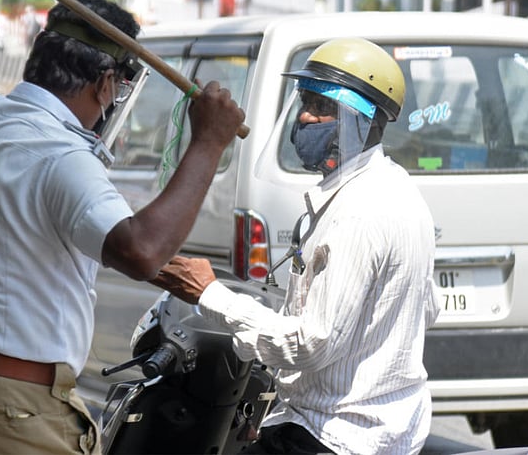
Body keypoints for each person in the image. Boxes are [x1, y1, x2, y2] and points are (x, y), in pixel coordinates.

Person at [0, 0, 244, 455]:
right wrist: (209, 142)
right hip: (6, 407)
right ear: (105, 83)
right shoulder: (61, 153)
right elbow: (142, 251)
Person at [150, 37, 440, 454]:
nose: (305, 116)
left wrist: (210, 294)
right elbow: (427, 308)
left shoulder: (358, 213)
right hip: (381, 431)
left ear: (364, 120)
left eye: (322, 108)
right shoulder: (397, 188)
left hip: (336, 434)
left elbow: (308, 344)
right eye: (305, 102)